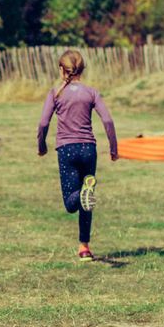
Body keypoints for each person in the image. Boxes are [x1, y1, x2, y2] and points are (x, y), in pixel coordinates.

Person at [37, 50, 119, 261]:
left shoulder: (55, 93)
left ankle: (83, 196)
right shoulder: (91, 92)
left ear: (61, 69)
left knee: (71, 202)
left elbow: (43, 123)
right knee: (86, 199)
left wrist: (42, 145)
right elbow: (108, 121)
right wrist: (113, 148)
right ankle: (84, 247)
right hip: (88, 149)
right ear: (82, 70)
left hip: (67, 150)